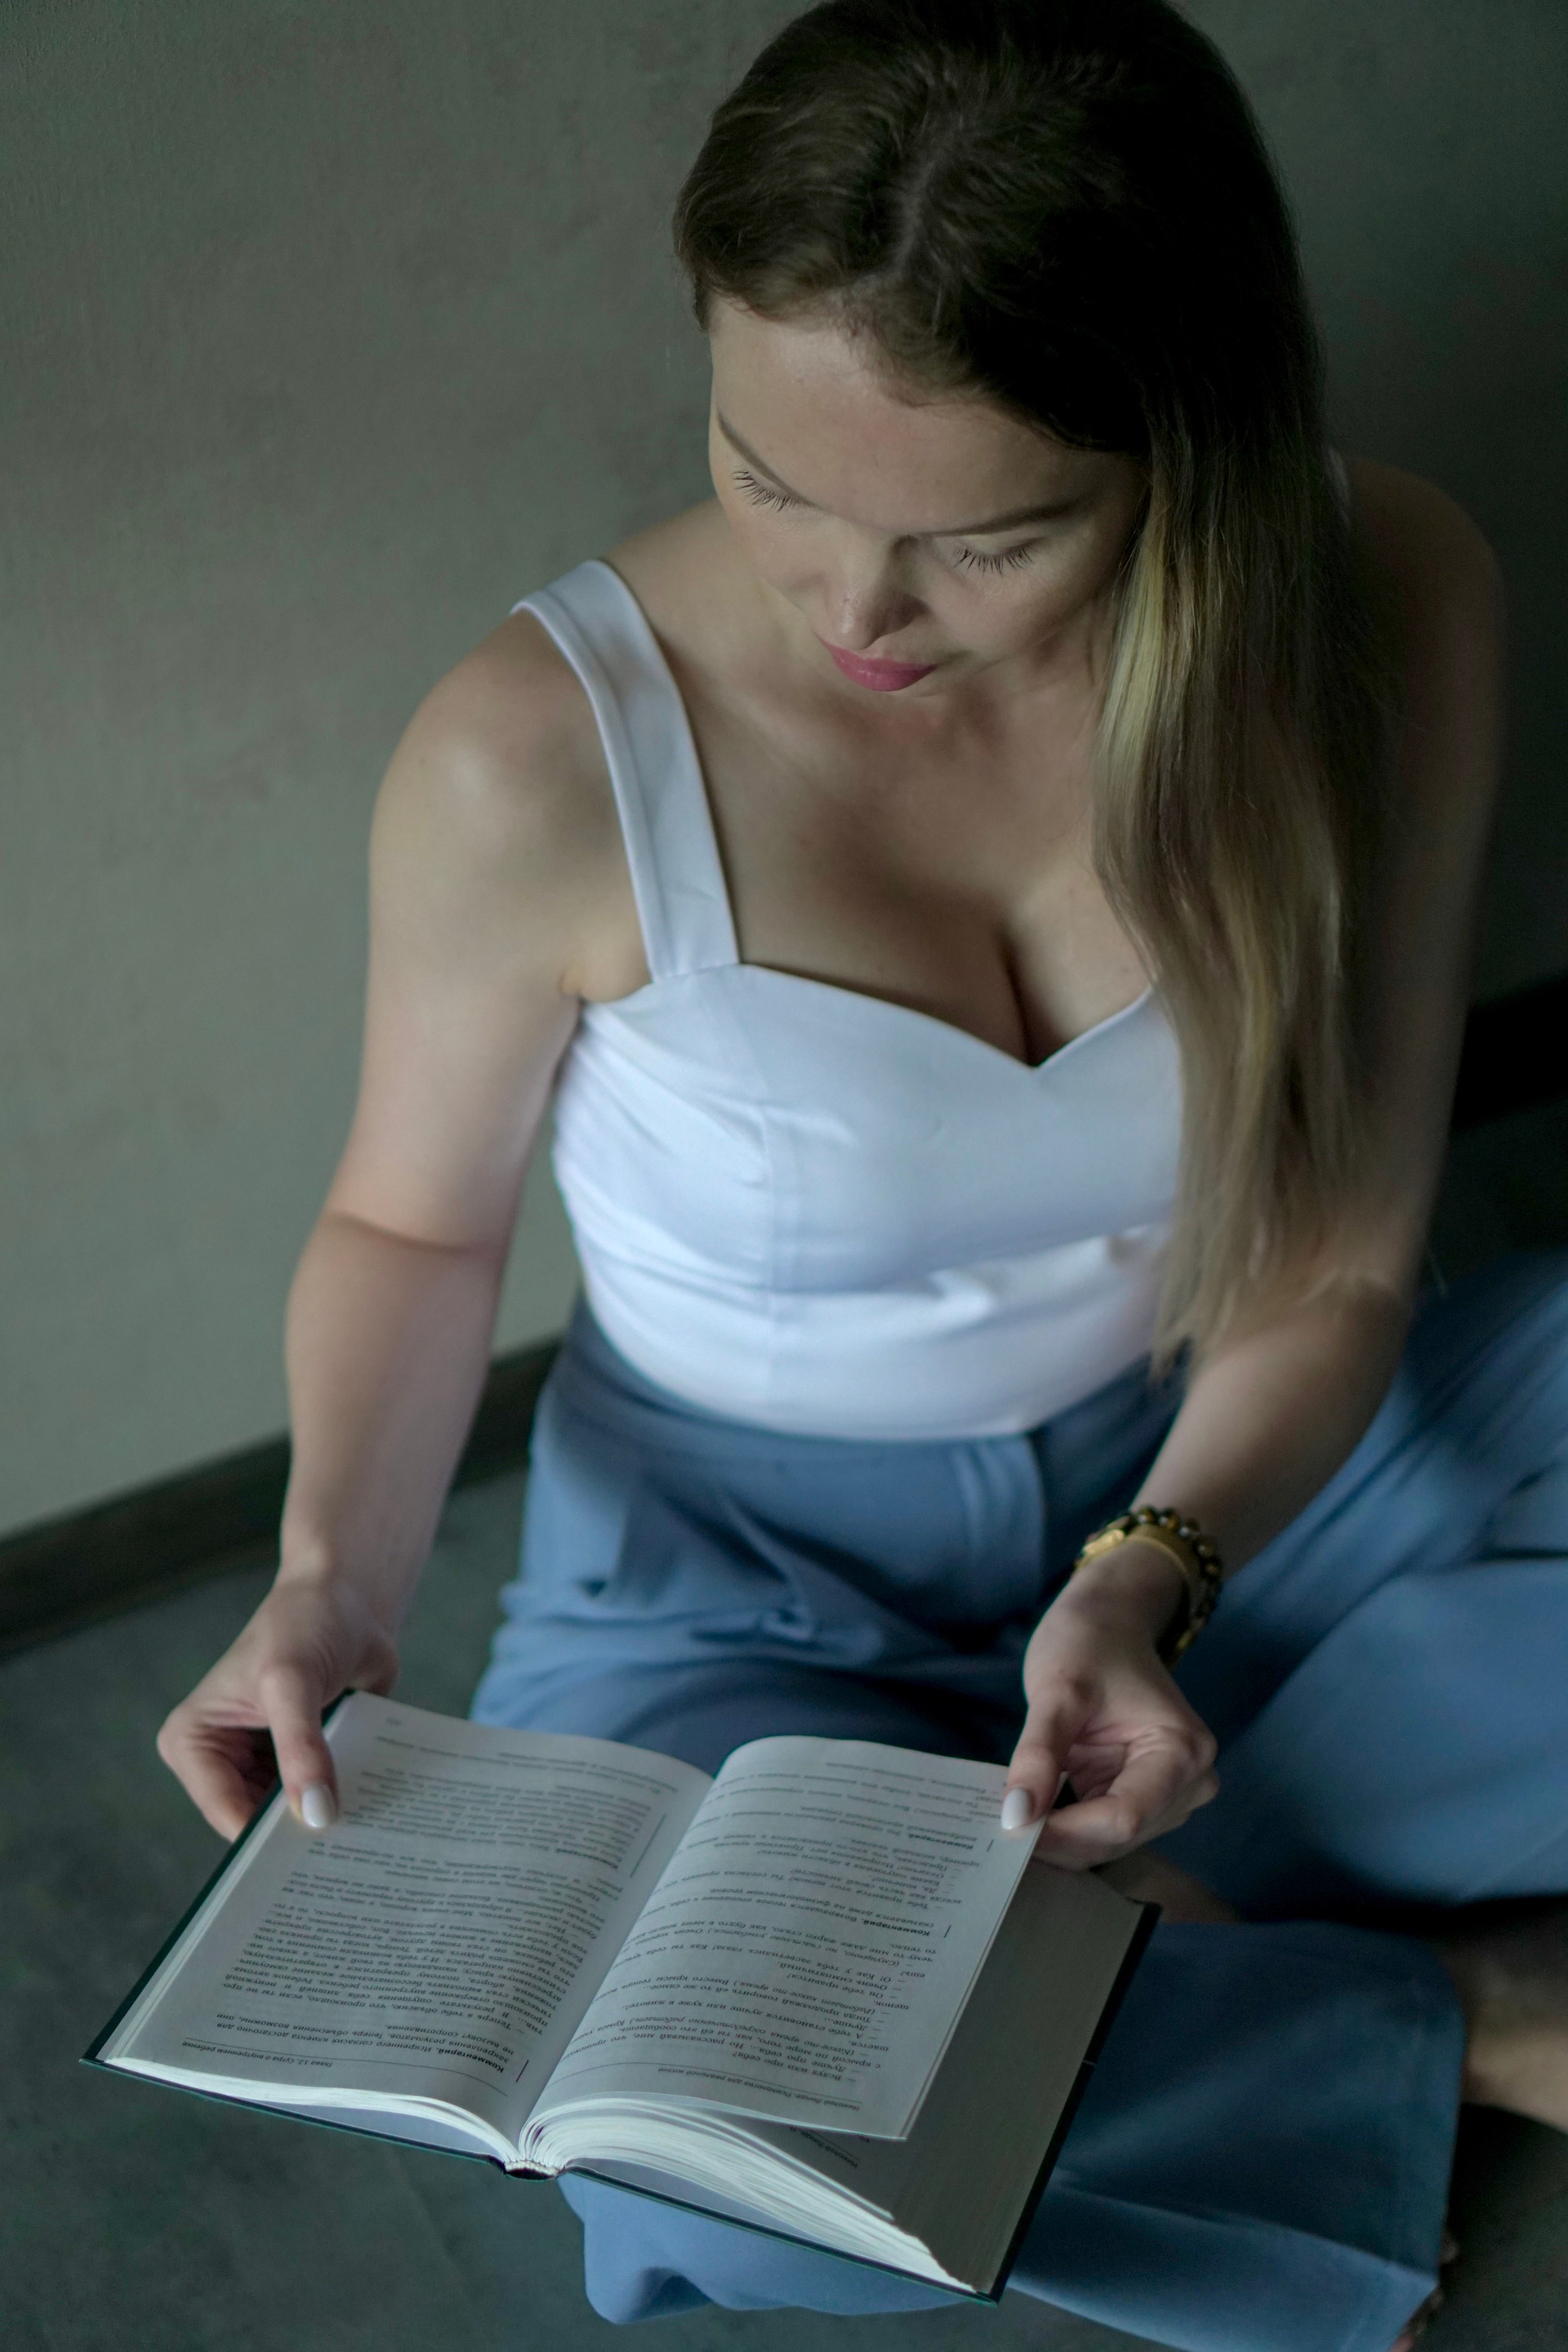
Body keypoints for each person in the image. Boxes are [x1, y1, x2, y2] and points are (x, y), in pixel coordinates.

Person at [157, 3, 1567, 2346]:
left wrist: (1146, 1583)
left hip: (1230, 1471)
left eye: (986, 537)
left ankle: (1075, 1952)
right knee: (698, 2156)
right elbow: (415, 1225)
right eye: (768, 475)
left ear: (1190, 451)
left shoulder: (1387, 597)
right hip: (739, 1581)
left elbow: (1334, 1256)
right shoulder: (531, 759)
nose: (854, 607)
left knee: (865, 2053)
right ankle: (1462, 2016)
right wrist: (331, 1582)